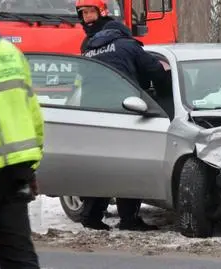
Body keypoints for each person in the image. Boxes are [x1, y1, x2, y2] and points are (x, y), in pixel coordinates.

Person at [75, 0, 168, 231]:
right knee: (129, 165)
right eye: (83, 13)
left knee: (102, 165)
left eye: (89, 12)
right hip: (126, 112)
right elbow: (156, 72)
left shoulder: (88, 47)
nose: (86, 17)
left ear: (101, 13)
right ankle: (129, 219)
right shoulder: (127, 45)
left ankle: (92, 216)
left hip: (94, 115)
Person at [0, 12, 44, 269]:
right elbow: (34, 113)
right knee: (19, 258)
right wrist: (32, 168)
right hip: (16, 169)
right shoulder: (10, 51)